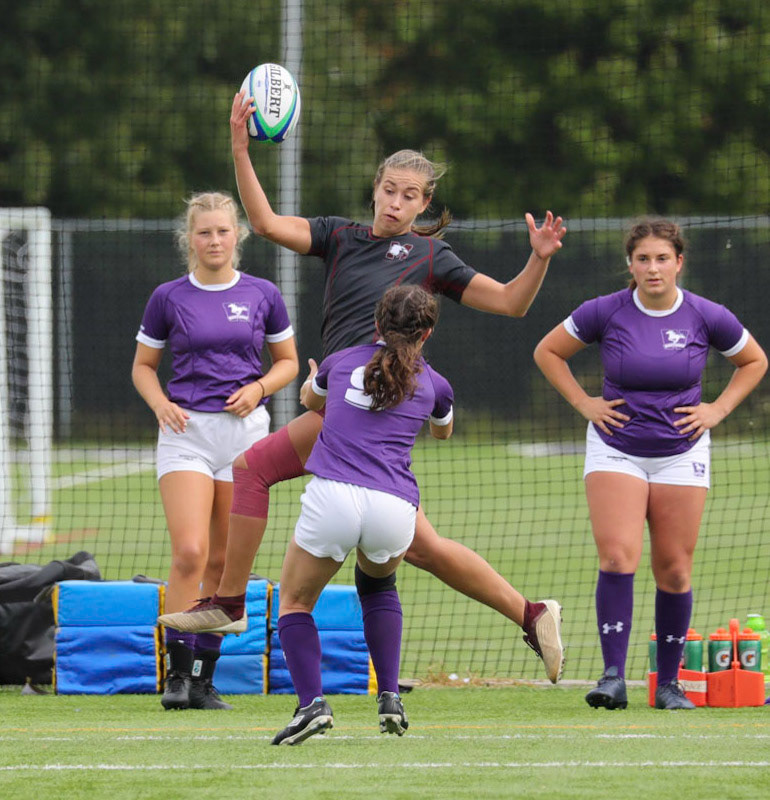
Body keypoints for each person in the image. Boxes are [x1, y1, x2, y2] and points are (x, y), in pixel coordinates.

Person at [158, 89, 567, 682]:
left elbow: (509, 303)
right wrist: (240, 150)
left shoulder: (432, 255)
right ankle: (530, 613)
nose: (397, 202)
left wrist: (539, 259)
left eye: (411, 195)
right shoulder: (341, 237)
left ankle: (227, 603)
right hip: (347, 403)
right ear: (375, 189)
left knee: (250, 470)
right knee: (421, 546)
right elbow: (268, 224)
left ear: (425, 203)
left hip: (362, 405)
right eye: (390, 189)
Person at [533, 217, 767, 710]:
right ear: (631, 265)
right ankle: (613, 677)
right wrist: (586, 404)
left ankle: (668, 684)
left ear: (679, 262)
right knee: (618, 557)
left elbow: (755, 361)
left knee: (675, 571)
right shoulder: (605, 311)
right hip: (615, 448)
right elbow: (548, 351)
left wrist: (718, 410)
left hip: (682, 453)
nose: (653, 268)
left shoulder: (706, 314)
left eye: (663, 258)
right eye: (643, 259)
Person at [132, 191, 299, 710]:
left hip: (245, 438)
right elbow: (142, 367)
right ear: (190, 238)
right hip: (186, 435)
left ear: (237, 236)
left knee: (227, 563)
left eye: (223, 231)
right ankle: (176, 677)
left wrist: (260, 389)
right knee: (190, 553)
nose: (214, 240)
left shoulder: (262, 294)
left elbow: (288, 362)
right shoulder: (168, 297)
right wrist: (160, 403)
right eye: (204, 232)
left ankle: (204, 680)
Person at [271, 285, 451, 744]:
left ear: (377, 323)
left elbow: (311, 402)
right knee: (378, 585)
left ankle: (311, 705)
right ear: (426, 332)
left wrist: (318, 379)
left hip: (334, 496)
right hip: (394, 506)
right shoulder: (436, 384)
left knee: (294, 603)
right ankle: (390, 695)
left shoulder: (340, 361)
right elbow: (442, 431)